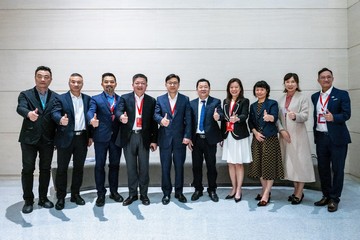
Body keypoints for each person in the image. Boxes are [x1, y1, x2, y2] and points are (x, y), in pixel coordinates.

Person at [16, 66, 58, 213]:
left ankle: (43, 198)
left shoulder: (55, 97)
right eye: (40, 76)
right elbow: (20, 108)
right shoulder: (26, 94)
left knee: (45, 169)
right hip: (29, 139)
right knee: (28, 169)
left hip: (47, 139)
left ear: (50, 79)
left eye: (46, 77)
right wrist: (28, 114)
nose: (43, 79)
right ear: (35, 78)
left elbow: (57, 117)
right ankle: (28, 200)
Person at [51, 73, 93, 210]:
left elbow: (90, 118)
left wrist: (90, 136)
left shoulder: (87, 99)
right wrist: (59, 120)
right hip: (65, 139)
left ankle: (75, 194)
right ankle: (61, 197)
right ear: (69, 83)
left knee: (78, 169)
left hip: (81, 138)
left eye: (79, 82)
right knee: (62, 169)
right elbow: (55, 112)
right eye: (73, 82)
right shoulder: (60, 98)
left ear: (82, 83)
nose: (76, 84)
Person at [311, 68, 351, 212]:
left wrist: (334, 117)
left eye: (328, 77)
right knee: (323, 169)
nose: (326, 79)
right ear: (318, 80)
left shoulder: (342, 94)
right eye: (323, 77)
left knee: (338, 169)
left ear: (332, 78)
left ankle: (334, 198)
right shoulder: (315, 96)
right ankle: (326, 195)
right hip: (321, 138)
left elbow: (347, 114)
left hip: (338, 139)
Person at [115, 73, 158, 206]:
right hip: (129, 137)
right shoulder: (125, 98)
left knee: (144, 168)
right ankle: (132, 194)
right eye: (137, 83)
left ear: (146, 85)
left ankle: (144, 194)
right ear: (132, 85)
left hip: (144, 138)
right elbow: (118, 111)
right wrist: (121, 117)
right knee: (131, 168)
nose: (140, 85)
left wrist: (154, 140)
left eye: (143, 83)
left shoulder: (151, 101)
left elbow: (153, 123)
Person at [277, 73, 315, 205]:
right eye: (287, 82)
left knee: (300, 163)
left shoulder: (302, 98)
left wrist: (295, 116)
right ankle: (295, 190)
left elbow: (305, 115)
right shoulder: (281, 99)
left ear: (297, 83)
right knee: (291, 164)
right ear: (284, 84)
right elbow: (278, 119)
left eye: (293, 82)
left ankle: (299, 193)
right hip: (285, 136)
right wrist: (282, 130)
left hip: (298, 136)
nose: (290, 84)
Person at [154, 74, 192, 205]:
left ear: (178, 85)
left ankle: (179, 192)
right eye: (170, 83)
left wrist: (187, 136)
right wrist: (160, 120)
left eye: (175, 83)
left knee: (179, 167)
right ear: (166, 84)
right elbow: (156, 114)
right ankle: (166, 193)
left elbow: (188, 119)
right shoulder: (160, 99)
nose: (172, 85)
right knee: (165, 167)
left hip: (180, 139)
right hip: (164, 138)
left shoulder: (185, 99)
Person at [87, 72, 123, 207]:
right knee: (99, 166)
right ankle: (100, 194)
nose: (109, 84)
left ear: (115, 84)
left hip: (116, 138)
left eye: (112, 81)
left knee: (115, 166)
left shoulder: (120, 99)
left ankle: (114, 192)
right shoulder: (95, 99)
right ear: (102, 83)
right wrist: (91, 119)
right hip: (101, 138)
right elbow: (91, 111)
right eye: (106, 81)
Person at [248, 80, 284, 207]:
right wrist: (255, 133)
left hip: (269, 139)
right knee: (259, 167)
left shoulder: (272, 103)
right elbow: (250, 122)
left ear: (267, 91)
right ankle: (265, 191)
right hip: (257, 139)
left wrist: (269, 117)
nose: (259, 92)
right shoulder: (252, 106)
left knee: (269, 167)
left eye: (262, 89)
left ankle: (266, 194)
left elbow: (274, 117)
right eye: (257, 89)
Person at [188, 79, 223, 202]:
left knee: (211, 166)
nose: (203, 89)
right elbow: (188, 123)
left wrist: (218, 116)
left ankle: (212, 189)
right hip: (196, 139)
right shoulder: (191, 103)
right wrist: (189, 138)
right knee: (196, 166)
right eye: (201, 87)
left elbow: (221, 114)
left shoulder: (216, 102)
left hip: (210, 140)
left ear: (209, 88)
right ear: (197, 89)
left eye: (206, 87)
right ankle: (198, 189)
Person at [221, 78, 252, 203]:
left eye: (236, 87)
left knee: (238, 163)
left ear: (240, 89)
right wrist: (219, 118)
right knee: (230, 163)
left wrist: (237, 118)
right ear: (229, 89)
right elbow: (224, 119)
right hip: (228, 135)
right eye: (231, 87)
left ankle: (239, 189)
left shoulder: (244, 101)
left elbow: (245, 115)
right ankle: (233, 188)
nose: (234, 89)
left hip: (239, 136)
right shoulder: (225, 101)